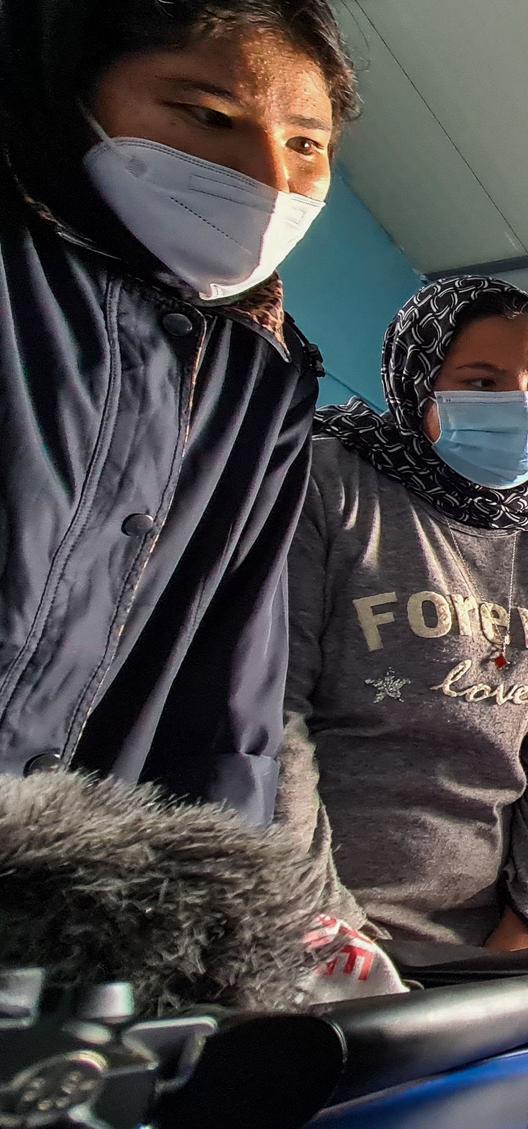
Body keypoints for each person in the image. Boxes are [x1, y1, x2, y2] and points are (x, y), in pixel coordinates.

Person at [0, 0, 355, 822]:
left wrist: (225, 902)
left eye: (307, 144)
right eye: (206, 115)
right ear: (74, 92)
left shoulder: (263, 366)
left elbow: (231, 684)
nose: (269, 179)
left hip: (68, 882)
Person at [277, 276, 528, 953]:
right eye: (483, 382)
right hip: (308, 922)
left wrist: (523, 914)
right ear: (417, 382)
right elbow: (270, 711)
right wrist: (319, 919)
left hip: (482, 943)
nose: (522, 404)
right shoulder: (326, 484)